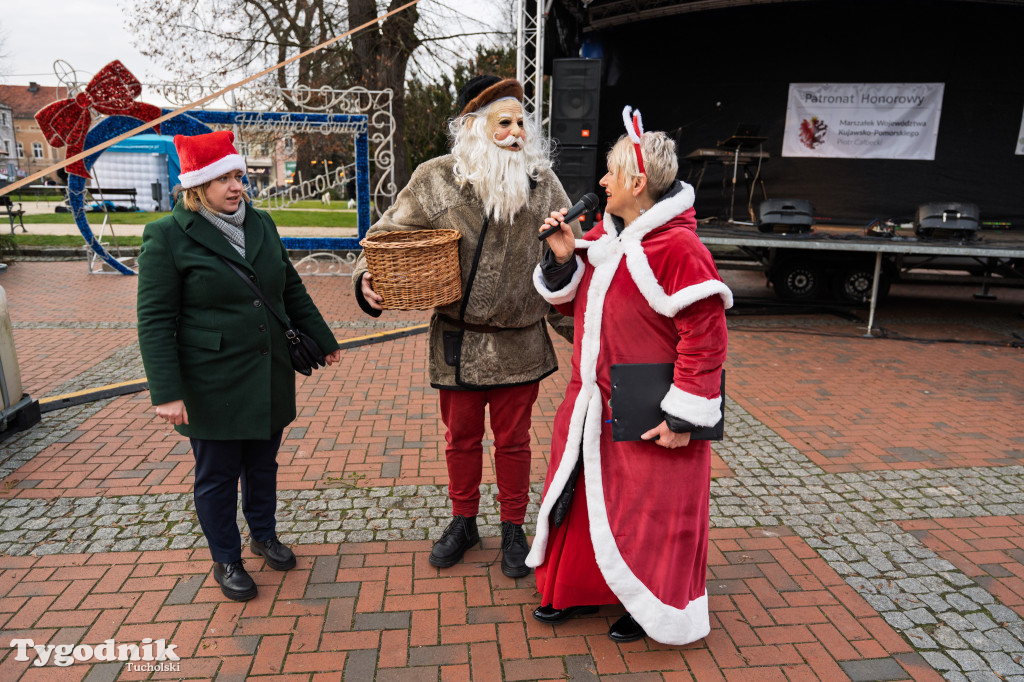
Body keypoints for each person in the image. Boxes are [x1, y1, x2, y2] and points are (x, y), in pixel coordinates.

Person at [352, 76, 580, 578]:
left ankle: (514, 526)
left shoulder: (544, 185)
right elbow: (384, 237)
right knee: (460, 439)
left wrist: (585, 320)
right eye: (505, 122)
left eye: (522, 122)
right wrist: (366, 278)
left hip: (520, 340)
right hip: (457, 341)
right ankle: (463, 519)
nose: (516, 132)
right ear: (474, 127)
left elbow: (571, 257)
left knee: (515, 441)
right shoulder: (435, 178)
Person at [527, 107, 731, 645]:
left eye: (610, 174)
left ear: (637, 183)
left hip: (651, 412)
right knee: (585, 498)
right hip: (591, 405)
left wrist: (683, 415)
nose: (600, 183)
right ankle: (576, 589)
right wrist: (564, 259)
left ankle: (650, 606)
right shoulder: (605, 237)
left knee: (649, 516)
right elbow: (582, 309)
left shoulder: (681, 249)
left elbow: (706, 340)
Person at [137, 130, 342, 602]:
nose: (237, 187)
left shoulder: (262, 223)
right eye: (225, 179)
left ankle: (263, 535)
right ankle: (225, 557)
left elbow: (290, 289)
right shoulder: (167, 235)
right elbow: (154, 320)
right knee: (217, 475)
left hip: (268, 374)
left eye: (239, 176)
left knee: (263, 465)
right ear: (197, 186)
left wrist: (324, 338)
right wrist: (166, 392)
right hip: (212, 381)